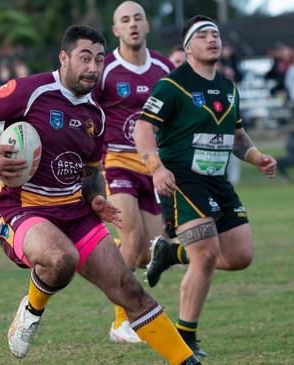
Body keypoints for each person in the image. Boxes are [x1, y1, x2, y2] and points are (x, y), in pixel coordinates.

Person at [0, 25, 200, 365]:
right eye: (85, 58)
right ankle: (31, 309)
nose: (93, 68)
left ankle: (188, 361)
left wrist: (96, 199)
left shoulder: (95, 115)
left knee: (130, 291)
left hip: (76, 214)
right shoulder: (33, 90)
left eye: (99, 60)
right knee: (60, 259)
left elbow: (91, 173)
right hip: (21, 210)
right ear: (64, 57)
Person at [134, 15, 277, 357]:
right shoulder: (172, 85)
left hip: (217, 181)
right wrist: (155, 168)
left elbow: (237, 135)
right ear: (188, 47)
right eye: (203, 35)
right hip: (182, 178)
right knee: (207, 253)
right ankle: (185, 339)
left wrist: (255, 156)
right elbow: (142, 129)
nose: (213, 39)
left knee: (241, 256)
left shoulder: (229, 87)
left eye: (216, 34)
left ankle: (170, 252)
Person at [90, 1, 174, 344]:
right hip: (117, 161)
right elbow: (88, 111)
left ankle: (104, 250)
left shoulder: (164, 69)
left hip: (152, 167)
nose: (133, 24)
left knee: (151, 251)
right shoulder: (106, 69)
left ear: (147, 26)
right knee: (136, 238)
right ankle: (121, 323)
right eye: (125, 20)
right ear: (116, 31)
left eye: (138, 18)